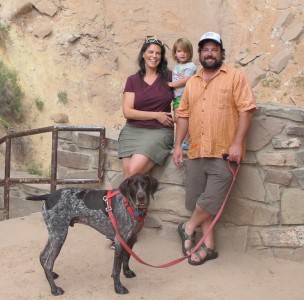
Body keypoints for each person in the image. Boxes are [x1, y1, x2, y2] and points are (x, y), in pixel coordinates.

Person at [173, 32, 257, 265]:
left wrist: (237, 143)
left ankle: (187, 227)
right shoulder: (192, 82)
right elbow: (183, 115)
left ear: (221, 52)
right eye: (205, 50)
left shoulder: (235, 77)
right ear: (199, 54)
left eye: (214, 49)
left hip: (223, 152)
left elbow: (247, 110)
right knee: (198, 200)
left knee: (209, 201)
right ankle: (210, 248)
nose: (210, 54)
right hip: (197, 150)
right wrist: (178, 145)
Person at [118, 36, 174, 179]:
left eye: (158, 53)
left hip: (158, 131)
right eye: (150, 52)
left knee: (132, 173)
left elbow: (183, 101)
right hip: (132, 131)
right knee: (129, 178)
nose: (154, 56)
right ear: (143, 54)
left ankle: (132, 201)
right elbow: (128, 112)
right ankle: (137, 201)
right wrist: (156, 115)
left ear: (161, 57)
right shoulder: (133, 80)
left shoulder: (169, 77)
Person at [168, 38, 197, 151]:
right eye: (179, 51)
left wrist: (171, 84)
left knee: (182, 118)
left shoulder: (190, 66)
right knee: (177, 119)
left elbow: (186, 80)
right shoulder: (177, 66)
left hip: (185, 96)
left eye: (185, 51)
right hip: (177, 97)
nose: (182, 54)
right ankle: (181, 140)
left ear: (190, 53)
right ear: (175, 53)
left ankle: (185, 141)